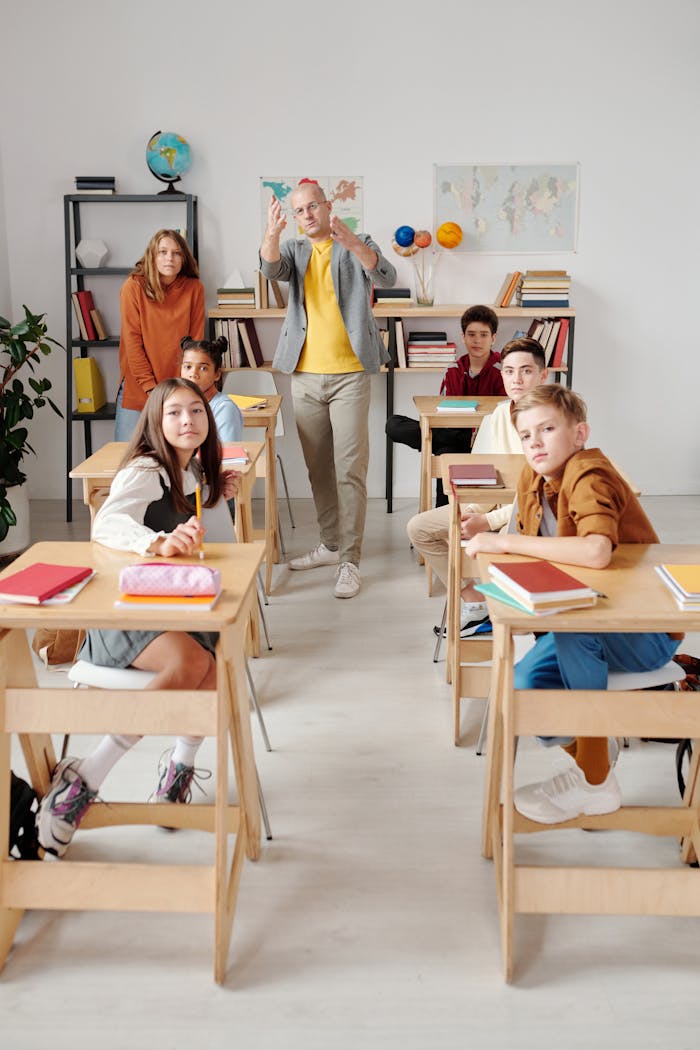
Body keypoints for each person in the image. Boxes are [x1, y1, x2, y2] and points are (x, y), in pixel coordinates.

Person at [36, 378, 239, 858]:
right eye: (174, 413)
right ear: (155, 420)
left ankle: (177, 772)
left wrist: (213, 497)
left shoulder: (188, 473)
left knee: (209, 671)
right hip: (122, 617)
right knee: (194, 666)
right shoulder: (148, 468)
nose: (187, 420)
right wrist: (156, 543)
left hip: (167, 609)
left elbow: (203, 536)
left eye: (196, 411)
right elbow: (108, 522)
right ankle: (83, 778)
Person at [463, 384, 681, 823]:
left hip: (640, 632)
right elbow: (538, 562)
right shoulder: (532, 478)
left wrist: (504, 541)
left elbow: (596, 551)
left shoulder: (589, 473)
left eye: (547, 429)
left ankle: (596, 782)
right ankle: (591, 752)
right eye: (526, 435)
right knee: (524, 690)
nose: (535, 443)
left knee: (574, 627)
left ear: (579, 433)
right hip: (583, 619)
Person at [259, 179, 397, 599]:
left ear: (327, 205)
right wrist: (271, 233)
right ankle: (331, 542)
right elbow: (270, 269)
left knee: (350, 469)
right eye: (299, 211)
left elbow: (387, 276)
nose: (307, 216)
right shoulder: (296, 251)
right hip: (303, 376)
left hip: (351, 375)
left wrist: (354, 243)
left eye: (312, 207)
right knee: (319, 468)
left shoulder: (355, 243)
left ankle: (349, 561)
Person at [406, 337, 548, 638]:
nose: (516, 379)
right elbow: (479, 474)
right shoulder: (497, 415)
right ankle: (475, 597)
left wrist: (489, 521)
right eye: (509, 371)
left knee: (494, 533)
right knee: (420, 528)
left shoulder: (553, 422)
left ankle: (495, 601)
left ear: (543, 375)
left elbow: (546, 497)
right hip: (492, 509)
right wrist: (472, 511)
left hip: (531, 521)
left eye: (525, 371)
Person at [386, 305, 506, 507]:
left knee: (445, 454)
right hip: (455, 435)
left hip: (484, 440)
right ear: (463, 337)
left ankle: (437, 524)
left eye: (484, 335)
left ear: (493, 338)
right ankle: (441, 524)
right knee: (393, 425)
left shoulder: (502, 371)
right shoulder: (452, 370)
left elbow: (502, 415)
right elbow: (444, 412)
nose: (477, 340)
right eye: (471, 334)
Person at [115, 230, 205, 442]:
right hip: (139, 388)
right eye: (162, 252)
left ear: (184, 258)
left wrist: (182, 389)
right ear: (152, 256)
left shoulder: (194, 289)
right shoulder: (133, 287)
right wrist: (152, 390)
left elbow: (195, 346)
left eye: (176, 253)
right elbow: (132, 344)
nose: (169, 258)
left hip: (178, 389)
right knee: (127, 464)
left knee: (177, 462)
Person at [180, 335, 244, 442]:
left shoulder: (224, 408)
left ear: (217, 374)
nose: (193, 374)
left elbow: (228, 455)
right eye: (188, 367)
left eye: (203, 368)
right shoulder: (177, 404)